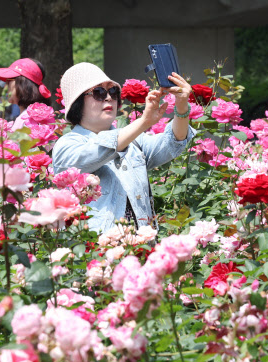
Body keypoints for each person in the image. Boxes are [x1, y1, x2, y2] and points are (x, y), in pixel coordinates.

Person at [52, 62, 195, 234]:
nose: (108, 98)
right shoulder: (66, 146)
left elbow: (173, 143)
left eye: (112, 91)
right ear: (77, 103)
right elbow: (100, 151)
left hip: (141, 250)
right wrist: (144, 122)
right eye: (98, 92)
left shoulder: (133, 141)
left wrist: (181, 105)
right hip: (96, 255)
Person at [0, 58, 51, 129]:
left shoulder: (30, 120)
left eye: (8, 82)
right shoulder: (28, 116)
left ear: (23, 84)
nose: (5, 89)